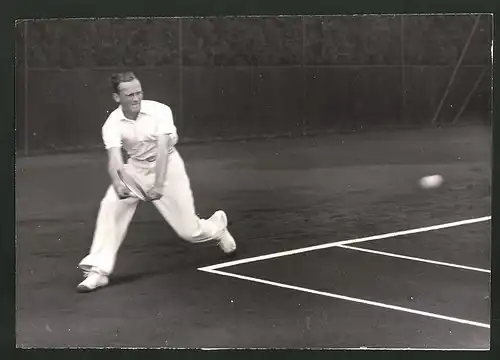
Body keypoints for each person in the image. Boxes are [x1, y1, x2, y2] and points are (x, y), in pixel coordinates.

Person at [76, 71, 236, 293]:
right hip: (136, 168)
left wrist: (159, 184)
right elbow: (114, 158)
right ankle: (98, 271)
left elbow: (162, 149)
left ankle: (217, 227)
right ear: (116, 98)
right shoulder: (111, 124)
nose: (136, 99)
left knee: (189, 231)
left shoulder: (160, 111)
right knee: (110, 206)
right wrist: (118, 182)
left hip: (168, 166)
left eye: (139, 93)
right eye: (129, 94)